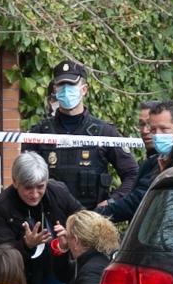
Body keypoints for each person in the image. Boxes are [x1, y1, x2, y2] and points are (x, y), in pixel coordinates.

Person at [27, 60, 138, 210]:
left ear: (84, 89)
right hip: (50, 221)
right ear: (55, 89)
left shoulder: (104, 132)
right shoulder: (40, 132)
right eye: (61, 85)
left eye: (71, 85)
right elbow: (24, 177)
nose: (66, 89)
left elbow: (132, 174)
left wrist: (110, 203)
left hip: (90, 221)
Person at [0, 151, 83, 284]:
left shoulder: (58, 191)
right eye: (28, 188)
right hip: (21, 276)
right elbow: (1, 253)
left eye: (40, 187)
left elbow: (83, 219)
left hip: (55, 270)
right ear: (15, 182)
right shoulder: (2, 204)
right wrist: (26, 244)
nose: (34, 194)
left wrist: (71, 233)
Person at [98, 100, 161, 223]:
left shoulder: (164, 159)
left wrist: (100, 212)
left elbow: (137, 201)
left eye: (150, 125)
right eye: (141, 124)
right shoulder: (152, 159)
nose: (145, 130)